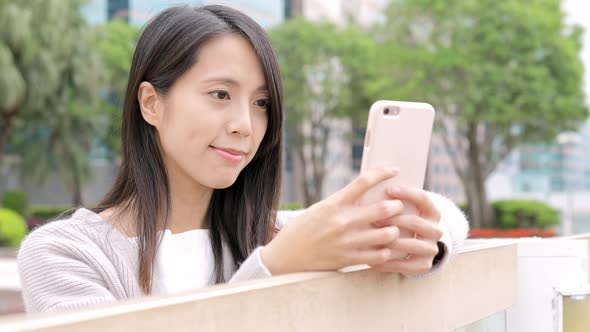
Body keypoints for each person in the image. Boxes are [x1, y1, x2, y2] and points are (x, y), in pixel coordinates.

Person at [17, 5, 469, 314]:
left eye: (261, 103)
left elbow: (446, 213)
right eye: (220, 94)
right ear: (151, 103)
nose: (245, 125)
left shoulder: (276, 233)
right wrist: (272, 270)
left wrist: (425, 245)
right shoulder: (66, 253)